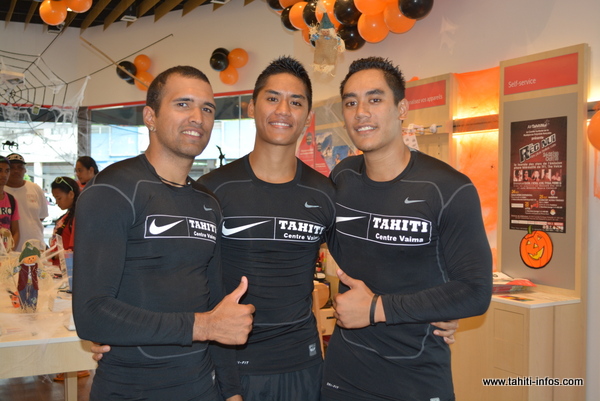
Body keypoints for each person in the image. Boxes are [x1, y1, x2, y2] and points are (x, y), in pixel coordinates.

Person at [91, 58, 458, 398]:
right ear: (252, 107)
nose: (283, 110)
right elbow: (183, 276)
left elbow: (370, 260)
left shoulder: (325, 192)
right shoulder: (211, 191)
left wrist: (426, 309)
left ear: (308, 116)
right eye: (272, 98)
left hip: (303, 365)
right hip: (229, 367)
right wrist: (122, 332)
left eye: (296, 102)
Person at [73, 65, 255, 401]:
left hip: (201, 388)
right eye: (183, 104)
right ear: (150, 117)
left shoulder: (208, 203)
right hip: (130, 391)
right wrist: (204, 326)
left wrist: (231, 392)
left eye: (207, 108)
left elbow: (218, 307)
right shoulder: (112, 190)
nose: (197, 117)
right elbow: (91, 314)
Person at [321, 57, 492, 401]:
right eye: (351, 103)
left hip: (416, 378)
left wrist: (377, 309)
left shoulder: (448, 188)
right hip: (344, 374)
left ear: (401, 109)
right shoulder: (342, 177)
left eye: (374, 99)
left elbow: (474, 291)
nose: (361, 112)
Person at [5, 153, 48, 252]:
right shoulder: (2, 191)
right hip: (9, 250)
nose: (16, 171)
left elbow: (41, 217)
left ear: (25, 170)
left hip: (35, 247)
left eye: (20, 167)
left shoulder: (35, 188)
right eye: (12, 168)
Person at [50, 176, 79, 251]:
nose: (56, 202)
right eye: (55, 198)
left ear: (71, 194)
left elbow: (73, 251)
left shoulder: (77, 218)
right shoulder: (67, 216)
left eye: (59, 198)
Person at [0, 155, 19, 251]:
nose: (4, 175)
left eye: (7, 171)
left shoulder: (11, 200)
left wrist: (10, 251)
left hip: (6, 254)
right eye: (0, 170)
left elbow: (16, 231)